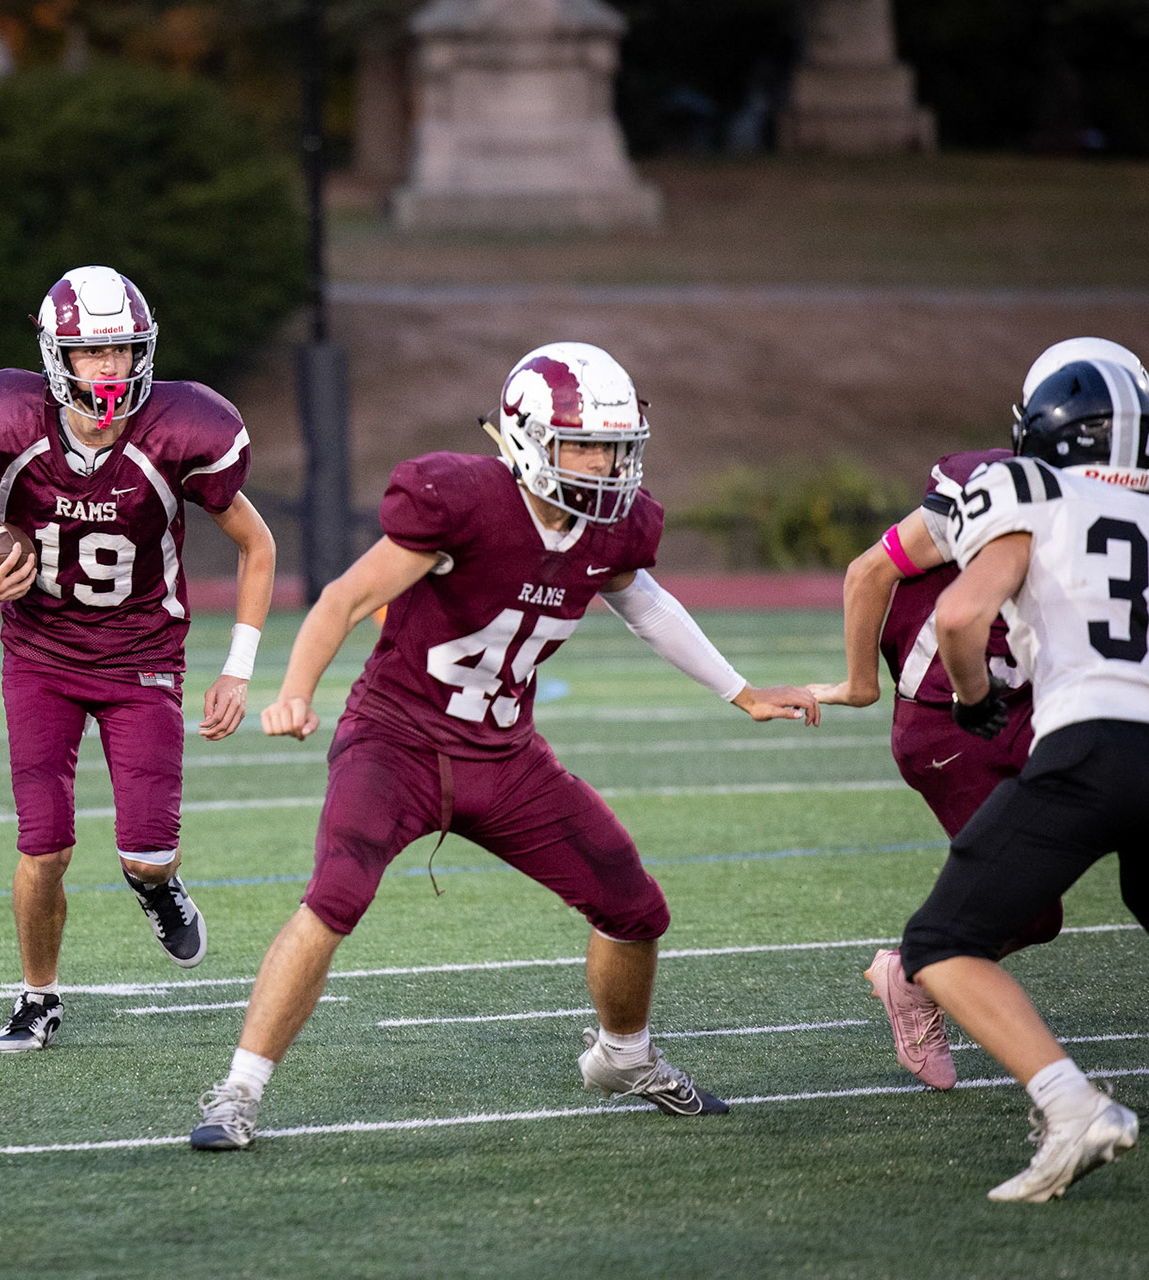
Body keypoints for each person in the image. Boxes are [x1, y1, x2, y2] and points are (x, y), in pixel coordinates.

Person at [187, 342, 820, 1151]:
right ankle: (237, 1092)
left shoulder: (615, 525)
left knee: (634, 907)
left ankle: (623, 1059)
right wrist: (296, 691)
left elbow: (645, 603)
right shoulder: (462, 500)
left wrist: (742, 690)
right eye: (584, 443)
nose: (604, 464)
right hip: (398, 742)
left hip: (506, 757)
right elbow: (345, 597)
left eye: (615, 445)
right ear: (524, 437)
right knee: (336, 895)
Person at [0, 265, 276, 1053]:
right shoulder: (8, 427)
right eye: (94, 352)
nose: (111, 367)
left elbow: (258, 544)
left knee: (146, 856)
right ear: (58, 357)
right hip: (41, 656)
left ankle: (156, 888)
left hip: (142, 659)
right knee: (41, 842)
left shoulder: (181, 432)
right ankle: (37, 996)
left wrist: (238, 667)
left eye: (123, 349)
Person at [809, 337, 1146, 1090]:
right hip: (955, 714)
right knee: (1032, 914)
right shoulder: (993, 484)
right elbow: (871, 571)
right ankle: (911, 973)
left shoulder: (1118, 498)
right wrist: (863, 683)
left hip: (1044, 703)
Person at [903, 354, 1148, 1201]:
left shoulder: (1032, 490)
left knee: (940, 944)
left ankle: (1070, 1104)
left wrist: (973, 698)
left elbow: (961, 613)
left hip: (1091, 744)